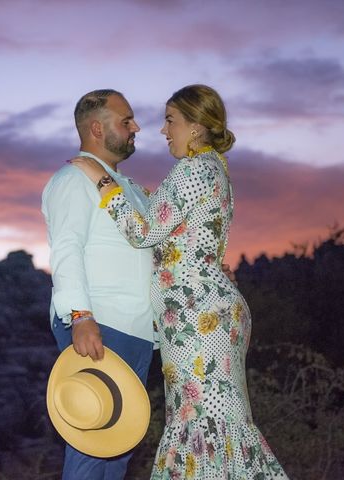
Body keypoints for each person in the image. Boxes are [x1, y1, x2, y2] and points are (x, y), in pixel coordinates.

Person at [71, 85, 288, 479]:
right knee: (216, 424)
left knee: (201, 424)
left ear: (196, 125)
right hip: (205, 311)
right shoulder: (214, 168)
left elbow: (143, 231)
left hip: (196, 317)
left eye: (171, 120)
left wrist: (100, 179)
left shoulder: (192, 170)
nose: (162, 130)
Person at [41, 89, 156, 480]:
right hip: (100, 324)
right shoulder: (74, 179)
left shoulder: (128, 189)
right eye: (126, 121)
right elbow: (66, 250)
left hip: (137, 330)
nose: (136, 127)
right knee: (92, 444)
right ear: (95, 128)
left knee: (118, 445)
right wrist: (80, 315)